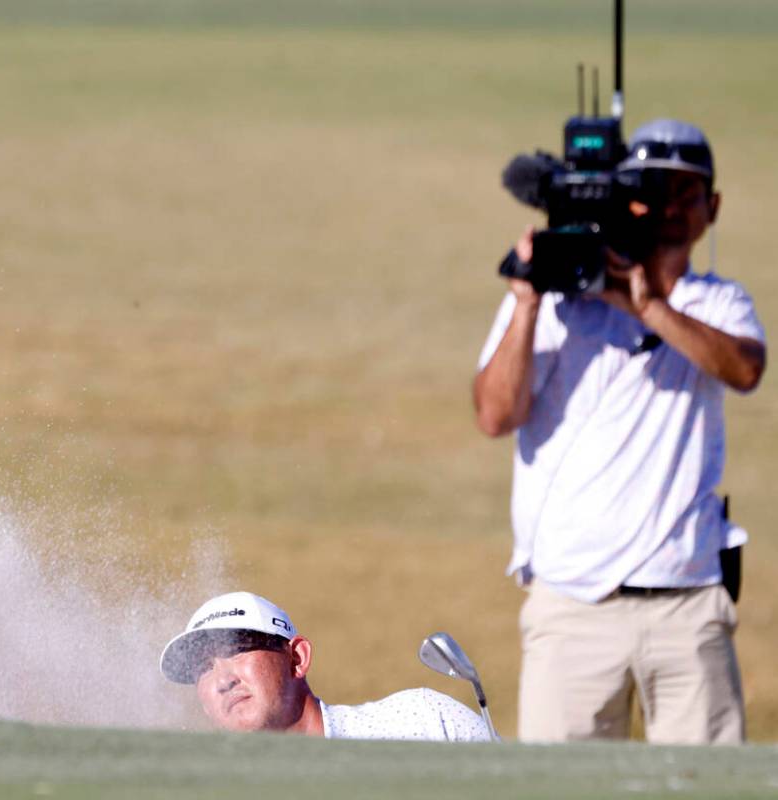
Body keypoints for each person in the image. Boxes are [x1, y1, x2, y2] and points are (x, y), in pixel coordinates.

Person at [474, 118, 766, 744]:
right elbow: (495, 415)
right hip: (573, 606)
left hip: (688, 605)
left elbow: (743, 369)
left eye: (685, 193)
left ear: (711, 207)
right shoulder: (554, 298)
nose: (667, 209)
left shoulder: (717, 303)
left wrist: (646, 308)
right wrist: (526, 302)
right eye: (651, 192)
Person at [159, 591, 492, 741]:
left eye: (236, 650)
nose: (222, 680)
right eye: (205, 667)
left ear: (297, 658)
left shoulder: (423, 722)